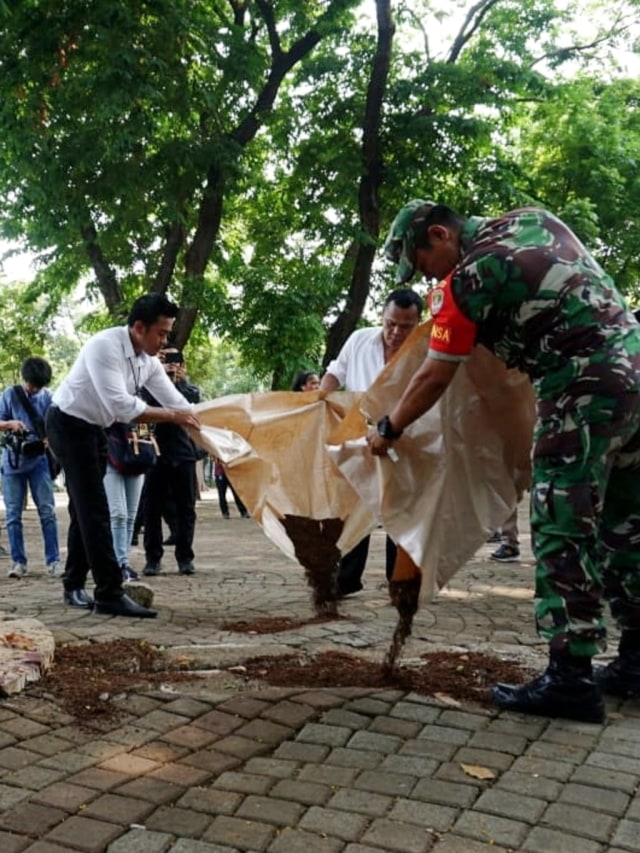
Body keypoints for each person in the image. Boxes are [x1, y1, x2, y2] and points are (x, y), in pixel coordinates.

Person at [368, 198, 640, 723]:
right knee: (626, 525)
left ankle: (570, 679)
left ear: (441, 236)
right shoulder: (533, 219)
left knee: (562, 523)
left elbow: (433, 374)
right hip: (633, 375)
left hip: (584, 387)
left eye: (422, 261)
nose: (426, 275)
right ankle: (635, 661)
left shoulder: (469, 278)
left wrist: (389, 427)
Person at [46, 293, 201, 617]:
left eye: (168, 333)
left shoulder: (147, 362)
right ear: (139, 327)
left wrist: (212, 424)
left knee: (84, 509)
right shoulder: (105, 346)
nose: (164, 340)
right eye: (161, 333)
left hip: (95, 429)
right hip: (67, 424)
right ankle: (109, 593)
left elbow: (177, 402)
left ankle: (73, 583)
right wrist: (173, 418)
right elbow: (122, 406)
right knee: (95, 509)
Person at [320, 288, 424, 596]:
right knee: (355, 509)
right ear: (382, 317)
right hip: (360, 439)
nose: (396, 332)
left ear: (417, 325)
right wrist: (319, 400)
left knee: (401, 511)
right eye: (391, 323)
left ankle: (401, 580)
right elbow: (335, 373)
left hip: (406, 439)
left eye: (406, 327)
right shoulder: (359, 339)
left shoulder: (425, 353)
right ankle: (347, 579)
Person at [142, 346, 201, 577]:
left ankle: (185, 557)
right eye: (167, 359)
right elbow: (145, 404)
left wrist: (176, 382)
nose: (172, 364)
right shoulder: (149, 385)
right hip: (155, 454)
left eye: (177, 360)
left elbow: (187, 406)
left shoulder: (191, 390)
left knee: (186, 508)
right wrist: (156, 371)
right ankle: (152, 559)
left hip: (183, 454)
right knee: (151, 508)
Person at [0, 357, 61, 579]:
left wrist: (47, 440)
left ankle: (53, 561)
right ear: (25, 379)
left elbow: (56, 427)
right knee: (13, 515)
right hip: (12, 461)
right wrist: (10, 424)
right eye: (32, 385)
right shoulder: (9, 394)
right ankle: (18, 562)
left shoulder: (48, 397)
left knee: (48, 512)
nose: (34, 389)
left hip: (39, 463)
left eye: (38, 386)